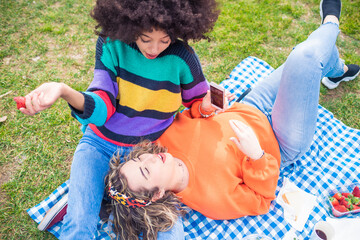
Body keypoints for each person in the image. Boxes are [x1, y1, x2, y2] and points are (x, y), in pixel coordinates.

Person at [104, 0, 360, 238]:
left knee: (304, 59)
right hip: (281, 140)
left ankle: (336, 68)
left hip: (250, 105)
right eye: (146, 170)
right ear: (158, 193)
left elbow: (196, 115)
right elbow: (262, 199)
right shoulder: (212, 201)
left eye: (139, 159)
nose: (148, 156)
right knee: (304, 60)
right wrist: (257, 156)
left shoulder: (164, 140)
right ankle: (331, 22)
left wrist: (205, 107)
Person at [20, 0, 220, 239]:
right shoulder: (111, 43)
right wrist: (64, 91)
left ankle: (103, 199)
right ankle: (97, 201)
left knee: (169, 233)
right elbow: (103, 106)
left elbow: (197, 104)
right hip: (99, 146)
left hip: (145, 160)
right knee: (78, 227)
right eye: (146, 39)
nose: (154, 49)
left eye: (165, 40)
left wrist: (206, 108)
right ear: (131, 23)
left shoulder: (183, 58)